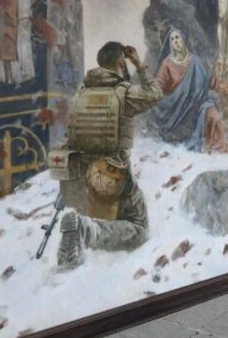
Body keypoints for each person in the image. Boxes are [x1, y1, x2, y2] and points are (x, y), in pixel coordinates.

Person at [52, 42, 164, 266]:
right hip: (111, 176)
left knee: (108, 209)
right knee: (139, 227)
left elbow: (69, 137)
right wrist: (139, 65)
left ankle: (79, 231)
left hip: (79, 182)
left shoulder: (81, 94)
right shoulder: (124, 93)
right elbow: (156, 93)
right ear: (120, 62)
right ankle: (87, 231)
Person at [149, 26, 227, 152]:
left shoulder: (196, 60)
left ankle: (217, 150)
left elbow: (208, 80)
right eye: (172, 39)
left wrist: (220, 86)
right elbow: (158, 86)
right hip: (176, 110)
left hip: (199, 104)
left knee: (214, 116)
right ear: (170, 44)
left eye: (177, 37)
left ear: (183, 39)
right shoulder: (167, 63)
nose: (175, 41)